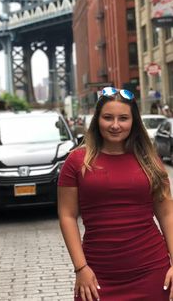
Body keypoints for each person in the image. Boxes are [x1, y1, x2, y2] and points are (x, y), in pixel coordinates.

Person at [58, 87, 173, 301]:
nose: (115, 125)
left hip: (152, 271)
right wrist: (80, 268)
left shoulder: (150, 160)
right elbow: (67, 216)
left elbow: (167, 213)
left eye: (123, 118)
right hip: (96, 275)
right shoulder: (76, 162)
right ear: (97, 120)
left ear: (134, 122)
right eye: (108, 117)